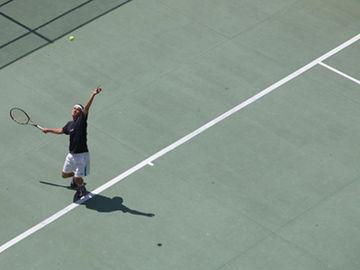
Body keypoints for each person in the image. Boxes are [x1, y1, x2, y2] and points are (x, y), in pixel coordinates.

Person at [42, 87, 102, 199]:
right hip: (71, 155)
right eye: (73, 108)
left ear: (80, 113)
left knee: (78, 178)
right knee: (64, 175)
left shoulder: (81, 121)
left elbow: (87, 108)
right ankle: (76, 179)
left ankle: (81, 187)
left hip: (82, 156)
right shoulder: (69, 124)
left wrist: (93, 94)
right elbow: (61, 130)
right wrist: (48, 130)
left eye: (77, 109)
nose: (74, 110)